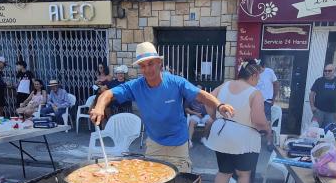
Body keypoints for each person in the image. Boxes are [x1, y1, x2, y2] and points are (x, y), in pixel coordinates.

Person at [90, 42, 235, 173]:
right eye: (143, 65)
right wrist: (99, 107)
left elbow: (201, 95)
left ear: (159, 63)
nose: (147, 69)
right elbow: (108, 94)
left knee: (180, 181)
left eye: (151, 63)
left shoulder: (176, 82)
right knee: (153, 182)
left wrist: (219, 105)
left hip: (178, 144)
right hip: (155, 143)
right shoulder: (136, 86)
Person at [205, 59, 271, 183]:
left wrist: (214, 116)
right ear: (254, 75)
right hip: (243, 138)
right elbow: (258, 121)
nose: (258, 81)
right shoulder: (255, 93)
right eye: (258, 78)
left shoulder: (225, 85)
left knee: (223, 171)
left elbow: (207, 100)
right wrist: (267, 128)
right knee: (243, 174)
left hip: (221, 133)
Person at [309, 63, 336, 128]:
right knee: (314, 131)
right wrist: (312, 106)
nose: (327, 72)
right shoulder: (319, 81)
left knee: (328, 131)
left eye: (329, 71)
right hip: (319, 111)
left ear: (334, 71)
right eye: (325, 70)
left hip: (332, 112)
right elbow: (312, 94)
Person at [256, 60, 280, 149]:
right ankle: (253, 142)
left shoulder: (269, 72)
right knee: (254, 121)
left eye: (260, 68)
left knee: (268, 122)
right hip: (256, 101)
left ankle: (269, 142)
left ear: (263, 66)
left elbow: (276, 84)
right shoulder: (254, 73)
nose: (259, 70)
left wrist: (274, 97)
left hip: (267, 101)